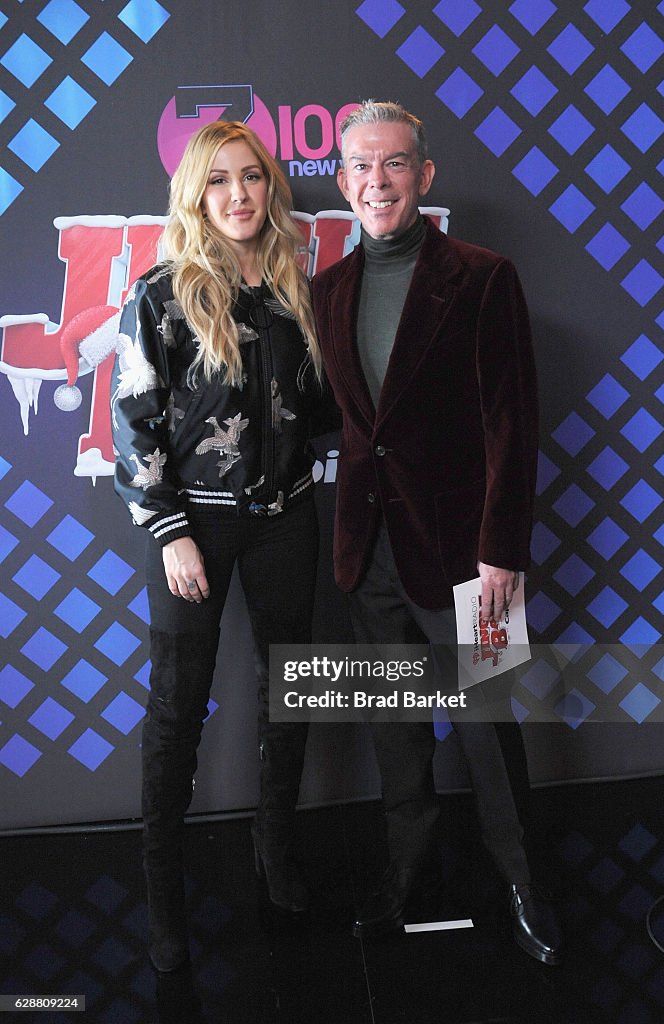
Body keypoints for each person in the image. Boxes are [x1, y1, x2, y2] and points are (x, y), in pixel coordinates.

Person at [311, 100, 562, 965]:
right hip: (365, 555)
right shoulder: (327, 289)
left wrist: (503, 550)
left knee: (491, 726)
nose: (375, 181)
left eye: (393, 164)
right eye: (360, 167)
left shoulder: (483, 276)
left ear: (423, 175)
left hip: (470, 557)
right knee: (393, 728)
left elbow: (511, 424)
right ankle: (406, 873)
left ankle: (527, 887)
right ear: (342, 181)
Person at [111, 120, 329, 972]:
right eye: (218, 181)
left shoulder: (293, 291)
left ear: (270, 188)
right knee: (176, 708)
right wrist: (168, 532)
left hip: (289, 519)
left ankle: (275, 854)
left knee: (293, 694)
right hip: (193, 528)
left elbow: (320, 413)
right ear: (194, 196)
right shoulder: (162, 294)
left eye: (251, 177)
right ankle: (163, 891)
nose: (238, 194)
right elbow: (135, 427)